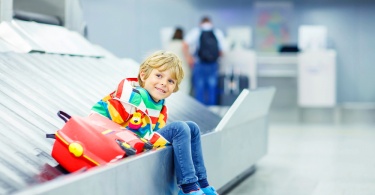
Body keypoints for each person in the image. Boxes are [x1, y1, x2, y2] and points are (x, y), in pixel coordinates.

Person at [91, 51, 219, 195]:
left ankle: (202, 184)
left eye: (171, 81)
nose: (164, 83)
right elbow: (97, 119)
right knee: (179, 128)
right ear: (144, 75)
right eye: (159, 75)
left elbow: (156, 134)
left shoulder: (160, 106)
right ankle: (188, 188)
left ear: (174, 88)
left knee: (192, 128)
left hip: (144, 143)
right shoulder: (129, 99)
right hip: (126, 145)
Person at [184, 16, 226, 105]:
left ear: (200, 23)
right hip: (213, 64)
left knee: (199, 88)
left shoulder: (196, 31)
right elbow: (222, 51)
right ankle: (213, 109)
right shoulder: (217, 32)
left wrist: (189, 58)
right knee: (212, 87)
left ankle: (200, 110)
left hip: (199, 63)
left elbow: (185, 44)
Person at [166, 27, 194, 95]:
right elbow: (189, 60)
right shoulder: (183, 44)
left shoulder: (170, 44)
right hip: (183, 71)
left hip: (172, 71)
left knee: (173, 91)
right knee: (184, 91)